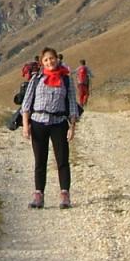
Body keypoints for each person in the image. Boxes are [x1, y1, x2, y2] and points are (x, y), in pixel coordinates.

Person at [20, 47, 80, 209]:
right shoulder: (36, 79)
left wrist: (72, 127)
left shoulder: (66, 80)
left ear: (57, 59)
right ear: (42, 63)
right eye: (46, 60)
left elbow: (72, 104)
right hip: (38, 122)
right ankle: (39, 195)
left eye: (52, 58)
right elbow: (26, 103)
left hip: (59, 122)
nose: (49, 62)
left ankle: (65, 195)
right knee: (40, 160)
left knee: (62, 160)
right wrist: (26, 125)